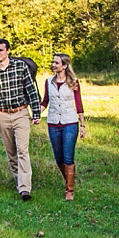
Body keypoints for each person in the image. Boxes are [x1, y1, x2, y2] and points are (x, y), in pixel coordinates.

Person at [0, 39, 42, 201]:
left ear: (8, 51)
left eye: (1, 50)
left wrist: (36, 113)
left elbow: (31, 90)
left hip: (21, 112)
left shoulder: (20, 67)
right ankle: (19, 182)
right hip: (2, 115)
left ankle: (25, 188)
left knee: (23, 150)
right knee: (11, 153)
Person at [41, 53, 85, 200]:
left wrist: (83, 125)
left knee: (68, 156)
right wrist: (35, 113)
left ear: (64, 66)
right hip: (53, 123)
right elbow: (45, 101)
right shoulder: (48, 82)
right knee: (58, 158)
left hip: (70, 123)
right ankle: (68, 180)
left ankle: (69, 191)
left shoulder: (74, 82)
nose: (53, 65)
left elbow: (78, 104)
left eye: (57, 63)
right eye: (53, 62)